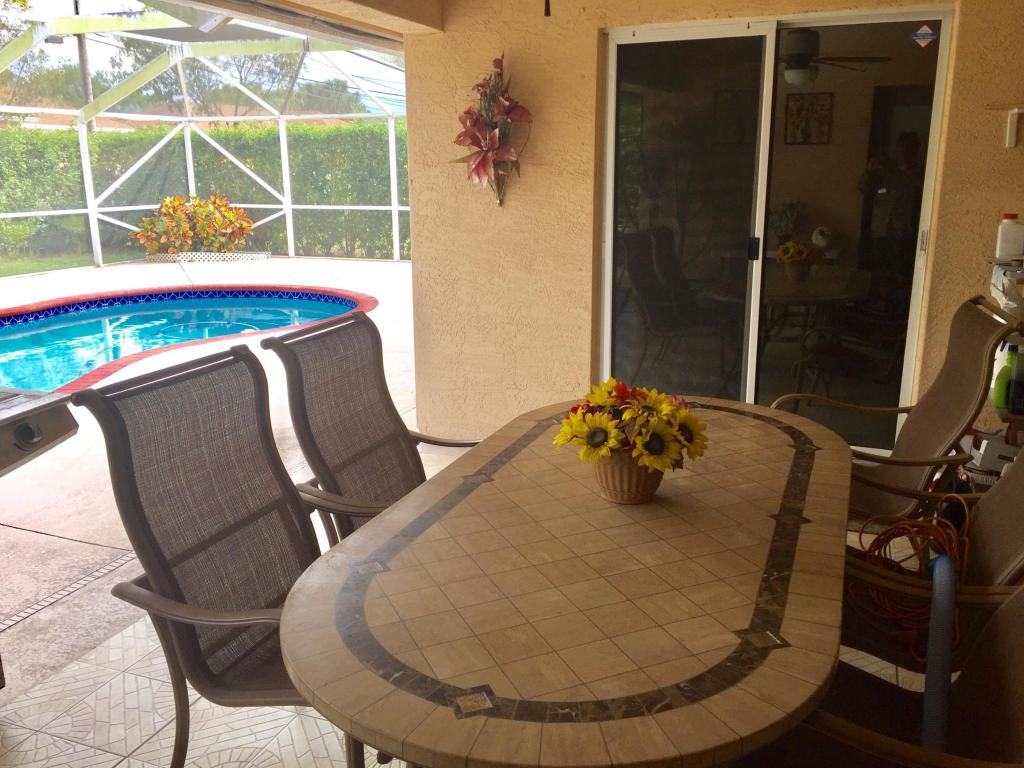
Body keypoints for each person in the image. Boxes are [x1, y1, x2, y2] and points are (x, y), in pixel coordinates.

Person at [859, 132, 924, 316]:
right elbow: (863, 188)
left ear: (915, 150)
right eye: (901, 146)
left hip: (903, 233)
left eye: (909, 147)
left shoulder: (919, 173)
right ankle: (880, 311)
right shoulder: (884, 171)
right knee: (879, 274)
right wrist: (869, 171)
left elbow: (924, 192)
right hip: (880, 231)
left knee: (900, 276)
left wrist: (907, 171)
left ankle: (898, 315)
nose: (904, 151)